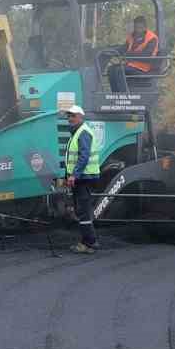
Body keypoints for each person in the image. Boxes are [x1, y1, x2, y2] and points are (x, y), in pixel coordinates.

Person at [61, 104, 102, 254]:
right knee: (82, 210)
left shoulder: (83, 133)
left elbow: (83, 157)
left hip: (85, 178)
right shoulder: (77, 132)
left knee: (83, 211)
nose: (70, 118)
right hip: (82, 178)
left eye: (73, 115)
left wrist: (74, 175)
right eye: (68, 116)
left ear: (80, 117)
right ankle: (87, 241)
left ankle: (90, 243)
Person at [108, 15, 160, 92]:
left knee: (119, 70)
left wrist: (129, 55)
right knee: (111, 69)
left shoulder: (152, 38)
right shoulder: (132, 36)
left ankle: (124, 96)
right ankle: (115, 94)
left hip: (144, 67)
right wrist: (111, 51)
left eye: (140, 28)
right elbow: (123, 48)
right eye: (136, 28)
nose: (138, 30)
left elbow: (147, 55)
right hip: (132, 65)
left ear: (145, 27)